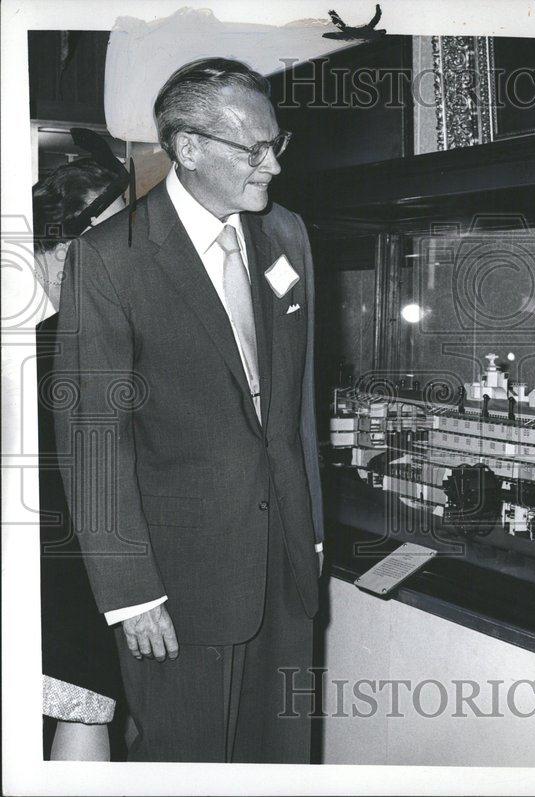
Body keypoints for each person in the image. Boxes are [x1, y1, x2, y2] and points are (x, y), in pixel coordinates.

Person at [53, 57, 324, 763]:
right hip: (178, 589)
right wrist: (131, 592)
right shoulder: (111, 258)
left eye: (276, 144)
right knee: (187, 764)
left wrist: (312, 539)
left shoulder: (287, 236)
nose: (272, 165)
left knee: (281, 760)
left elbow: (296, 414)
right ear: (189, 147)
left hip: (285, 571)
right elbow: (94, 440)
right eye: (252, 149)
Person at [34, 158, 129, 761]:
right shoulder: (73, 340)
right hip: (71, 564)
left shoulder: (50, 334)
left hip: (59, 559)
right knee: (87, 704)